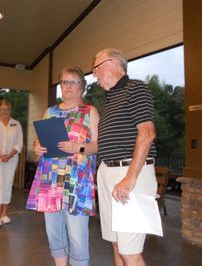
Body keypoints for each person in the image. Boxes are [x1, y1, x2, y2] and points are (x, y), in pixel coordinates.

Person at [26, 66, 99, 266]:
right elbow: (39, 141)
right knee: (53, 233)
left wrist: (78, 147)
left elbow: (98, 146)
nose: (67, 86)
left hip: (77, 184)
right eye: (64, 82)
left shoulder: (90, 112)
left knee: (77, 236)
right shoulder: (49, 112)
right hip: (50, 181)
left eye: (73, 82)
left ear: (82, 87)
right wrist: (37, 147)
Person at [93, 48, 157, 266]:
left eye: (96, 68)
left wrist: (130, 178)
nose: (94, 75)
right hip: (107, 172)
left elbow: (147, 133)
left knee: (130, 251)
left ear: (112, 63)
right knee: (117, 244)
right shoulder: (108, 101)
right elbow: (103, 144)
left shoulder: (135, 88)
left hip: (130, 173)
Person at [0, 99, 23, 227]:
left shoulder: (16, 124)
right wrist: (1, 155)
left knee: (7, 185)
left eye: (7, 109)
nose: (4, 111)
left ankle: (4, 215)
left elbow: (19, 144)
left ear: (10, 110)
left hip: (12, 160)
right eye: (2, 109)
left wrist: (10, 155)